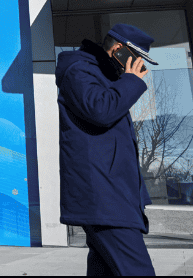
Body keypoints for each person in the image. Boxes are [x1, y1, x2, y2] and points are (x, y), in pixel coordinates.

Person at [56, 23, 158, 276]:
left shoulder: (105, 78)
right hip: (104, 196)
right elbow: (100, 111)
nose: (141, 67)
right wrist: (131, 81)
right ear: (120, 50)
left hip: (113, 195)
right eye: (138, 59)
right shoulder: (78, 69)